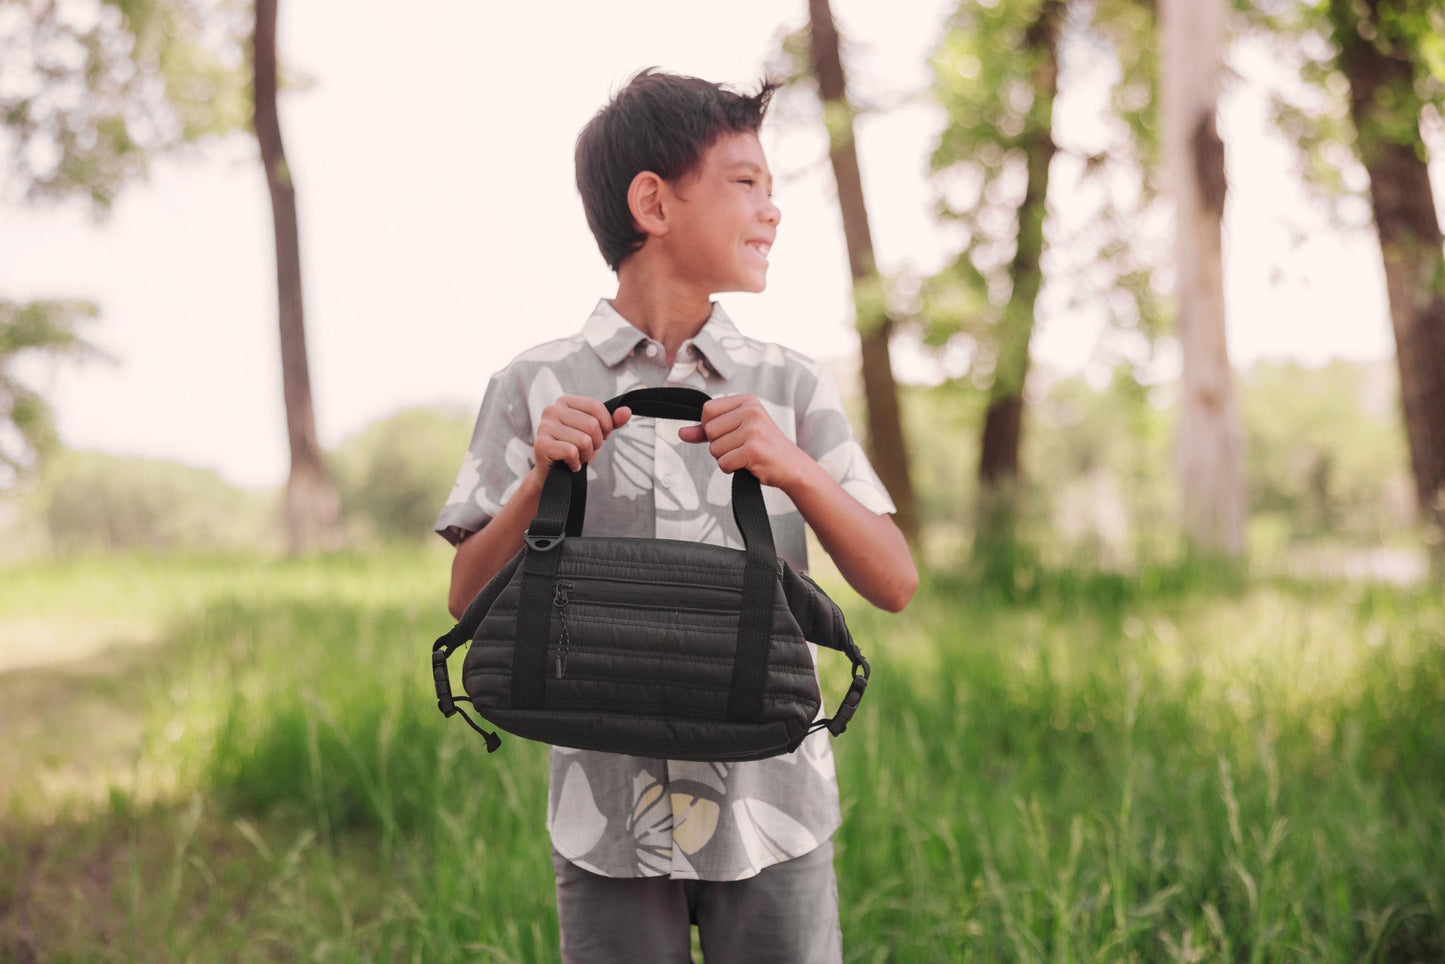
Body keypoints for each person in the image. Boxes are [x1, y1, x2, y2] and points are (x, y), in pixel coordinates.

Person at [435, 68, 918, 964]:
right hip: (604, 815)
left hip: (773, 810)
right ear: (653, 203)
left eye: (773, 189)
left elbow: (892, 582)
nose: (771, 209)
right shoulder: (531, 386)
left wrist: (794, 468)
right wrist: (538, 481)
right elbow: (465, 602)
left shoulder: (789, 385)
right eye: (745, 183)